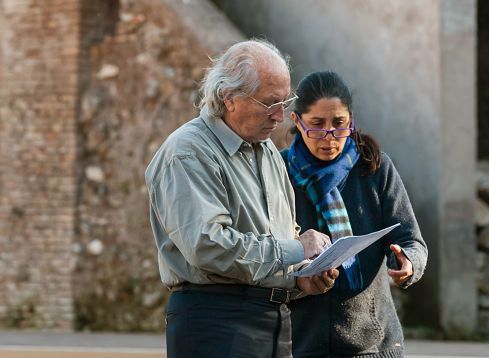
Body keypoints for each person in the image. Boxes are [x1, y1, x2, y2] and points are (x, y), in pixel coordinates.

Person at [145, 40, 339, 358]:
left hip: (276, 321)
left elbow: (278, 237)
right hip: (215, 321)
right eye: (269, 103)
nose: (280, 116)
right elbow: (207, 245)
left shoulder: (269, 153)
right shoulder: (188, 151)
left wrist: (302, 276)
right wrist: (296, 249)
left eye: (285, 101)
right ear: (230, 98)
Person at [281, 71, 428, 358]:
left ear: (351, 120)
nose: (329, 137)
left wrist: (408, 263)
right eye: (317, 125)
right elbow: (268, 250)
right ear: (297, 122)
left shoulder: (374, 168)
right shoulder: (279, 172)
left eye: (339, 124)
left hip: (372, 344)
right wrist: (299, 273)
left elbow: (412, 240)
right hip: (299, 343)